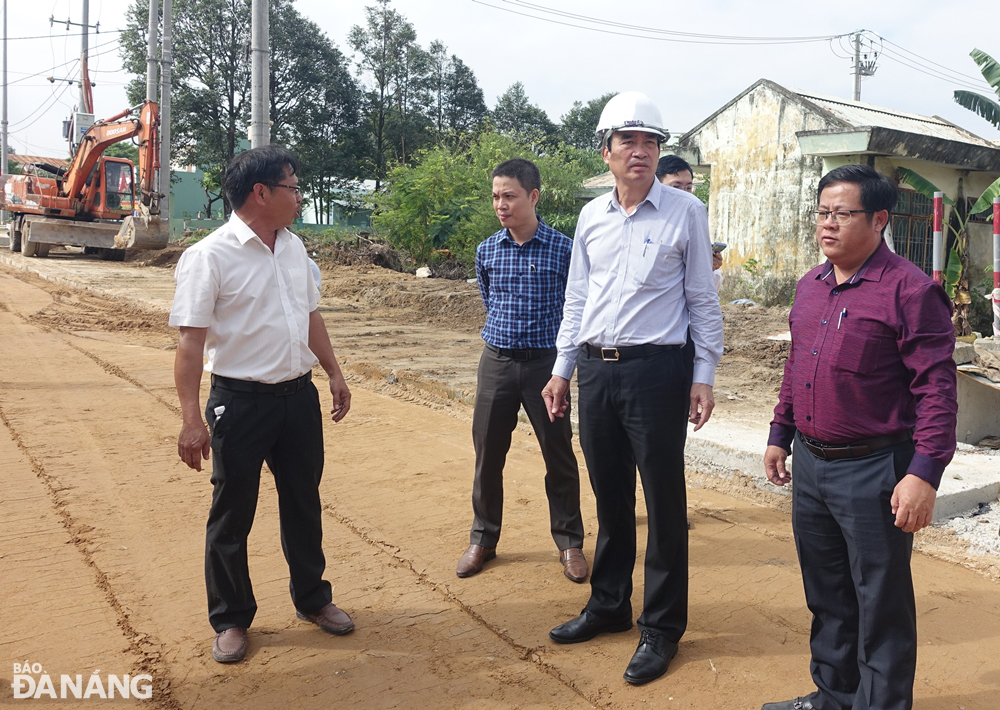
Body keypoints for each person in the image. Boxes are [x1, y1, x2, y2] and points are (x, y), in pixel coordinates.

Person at [761, 164, 958, 710]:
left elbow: (937, 393)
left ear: (879, 219)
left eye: (842, 214)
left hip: (875, 470)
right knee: (828, 595)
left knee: (881, 603)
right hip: (813, 465)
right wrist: (781, 432)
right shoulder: (810, 286)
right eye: (822, 213)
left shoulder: (911, 292)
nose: (827, 225)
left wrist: (923, 473)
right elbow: (796, 368)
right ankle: (834, 695)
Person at [543, 91, 723, 686]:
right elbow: (577, 299)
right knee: (610, 495)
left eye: (651, 142)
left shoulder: (684, 213)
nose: (640, 152)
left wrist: (704, 375)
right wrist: (563, 368)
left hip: (658, 372)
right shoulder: (591, 216)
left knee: (664, 501)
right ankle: (609, 604)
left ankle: (663, 626)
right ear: (608, 151)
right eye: (629, 141)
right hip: (597, 370)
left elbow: (702, 298)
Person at [170, 146, 354, 664]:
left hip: (298, 399)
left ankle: (313, 599)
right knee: (232, 513)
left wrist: (334, 372)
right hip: (240, 401)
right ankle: (230, 618)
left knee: (303, 501)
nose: (299, 196)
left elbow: (311, 317)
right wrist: (190, 420)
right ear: (261, 193)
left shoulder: (295, 249)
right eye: (292, 187)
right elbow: (189, 345)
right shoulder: (210, 256)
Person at [456, 158, 587, 582]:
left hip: (546, 369)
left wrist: (562, 369)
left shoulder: (564, 249)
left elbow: (575, 310)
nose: (500, 204)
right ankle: (483, 539)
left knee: (558, 453)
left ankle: (569, 542)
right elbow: (489, 300)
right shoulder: (487, 249)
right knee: (487, 455)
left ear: (533, 196)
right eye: (495, 196)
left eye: (509, 196)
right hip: (495, 362)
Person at [657, 154, 723, 289]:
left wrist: (707, 268)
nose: (684, 194)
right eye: (676, 187)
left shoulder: (692, 223)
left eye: (688, 188)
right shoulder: (642, 221)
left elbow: (710, 287)